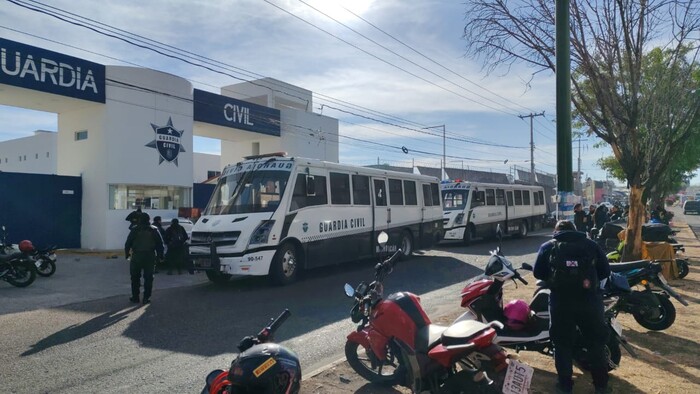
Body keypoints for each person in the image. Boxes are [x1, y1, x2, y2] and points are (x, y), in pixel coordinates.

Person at [533, 220, 611, 394]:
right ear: (575, 230)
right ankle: (601, 386)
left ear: (556, 231)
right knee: (596, 343)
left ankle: (565, 386)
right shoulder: (591, 245)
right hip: (590, 301)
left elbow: (538, 273)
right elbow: (605, 271)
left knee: (562, 345)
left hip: (561, 302)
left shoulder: (548, 246)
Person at [124, 212, 164, 304]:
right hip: (150, 256)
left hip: (137, 256)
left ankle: (135, 297)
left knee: (135, 278)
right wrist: (160, 256)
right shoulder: (154, 230)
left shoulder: (135, 229)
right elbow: (159, 244)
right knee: (149, 278)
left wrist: (127, 254)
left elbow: (128, 243)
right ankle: (146, 298)